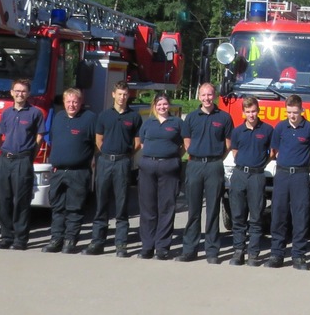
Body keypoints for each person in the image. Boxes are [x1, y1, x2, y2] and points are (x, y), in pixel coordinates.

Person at [180, 83, 233, 263]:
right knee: (193, 210)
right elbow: (187, 141)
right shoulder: (192, 117)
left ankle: (212, 251)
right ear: (199, 96)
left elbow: (227, 144)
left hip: (214, 166)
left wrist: (215, 157)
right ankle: (189, 250)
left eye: (210, 95)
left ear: (214, 96)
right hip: (194, 165)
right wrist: (197, 153)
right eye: (203, 95)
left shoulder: (224, 117)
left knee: (213, 210)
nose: (206, 98)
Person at [88, 82, 142, 257]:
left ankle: (121, 244)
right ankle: (97, 242)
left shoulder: (134, 117)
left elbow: (137, 143)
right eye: (119, 94)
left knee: (122, 203)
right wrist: (108, 154)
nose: (122, 97)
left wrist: (124, 156)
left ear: (128, 96)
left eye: (125, 94)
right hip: (105, 162)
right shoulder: (104, 116)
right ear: (113, 95)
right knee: (101, 203)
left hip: (123, 163)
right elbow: (99, 140)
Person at [267, 95, 310, 269]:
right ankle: (276, 254)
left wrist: (301, 167)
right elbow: (274, 151)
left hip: (300, 176)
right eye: (289, 112)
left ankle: (298, 255)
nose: (292, 116)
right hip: (282, 175)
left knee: (300, 215)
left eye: (295, 112)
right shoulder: (280, 127)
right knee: (279, 214)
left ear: (302, 110)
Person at [44, 88, 97, 254]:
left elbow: (98, 143)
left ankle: (70, 240)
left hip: (79, 172)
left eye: (75, 101)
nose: (71, 105)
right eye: (68, 101)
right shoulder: (58, 117)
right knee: (57, 208)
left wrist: (92, 160)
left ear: (81, 102)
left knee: (75, 209)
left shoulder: (90, 118)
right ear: (64, 102)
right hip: (58, 172)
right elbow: (53, 140)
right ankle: (56, 239)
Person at [0, 79, 45, 250]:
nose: (20, 94)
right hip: (5, 159)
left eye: (23, 91)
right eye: (17, 91)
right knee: (3, 199)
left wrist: (30, 156)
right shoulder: (6, 113)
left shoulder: (35, 113)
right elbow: (2, 136)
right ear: (11, 92)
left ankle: (20, 239)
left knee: (21, 201)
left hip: (23, 160)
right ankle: (6, 236)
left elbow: (39, 138)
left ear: (28, 94)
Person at [136, 93, 184, 259]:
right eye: (159, 104)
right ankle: (147, 246)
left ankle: (162, 247)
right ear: (154, 106)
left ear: (168, 105)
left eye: (165, 104)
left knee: (166, 207)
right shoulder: (148, 123)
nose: (162, 107)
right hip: (148, 167)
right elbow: (142, 143)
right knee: (148, 207)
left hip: (169, 167)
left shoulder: (177, 123)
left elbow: (184, 145)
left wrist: (171, 156)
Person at [228, 95, 272, 266]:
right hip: (239, 175)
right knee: (238, 215)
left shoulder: (267, 130)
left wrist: (259, 164)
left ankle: (253, 253)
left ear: (258, 111)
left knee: (256, 215)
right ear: (243, 113)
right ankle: (238, 251)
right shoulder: (237, 131)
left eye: (254, 111)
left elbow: (272, 152)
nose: (251, 115)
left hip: (257, 176)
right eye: (248, 112)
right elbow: (235, 152)